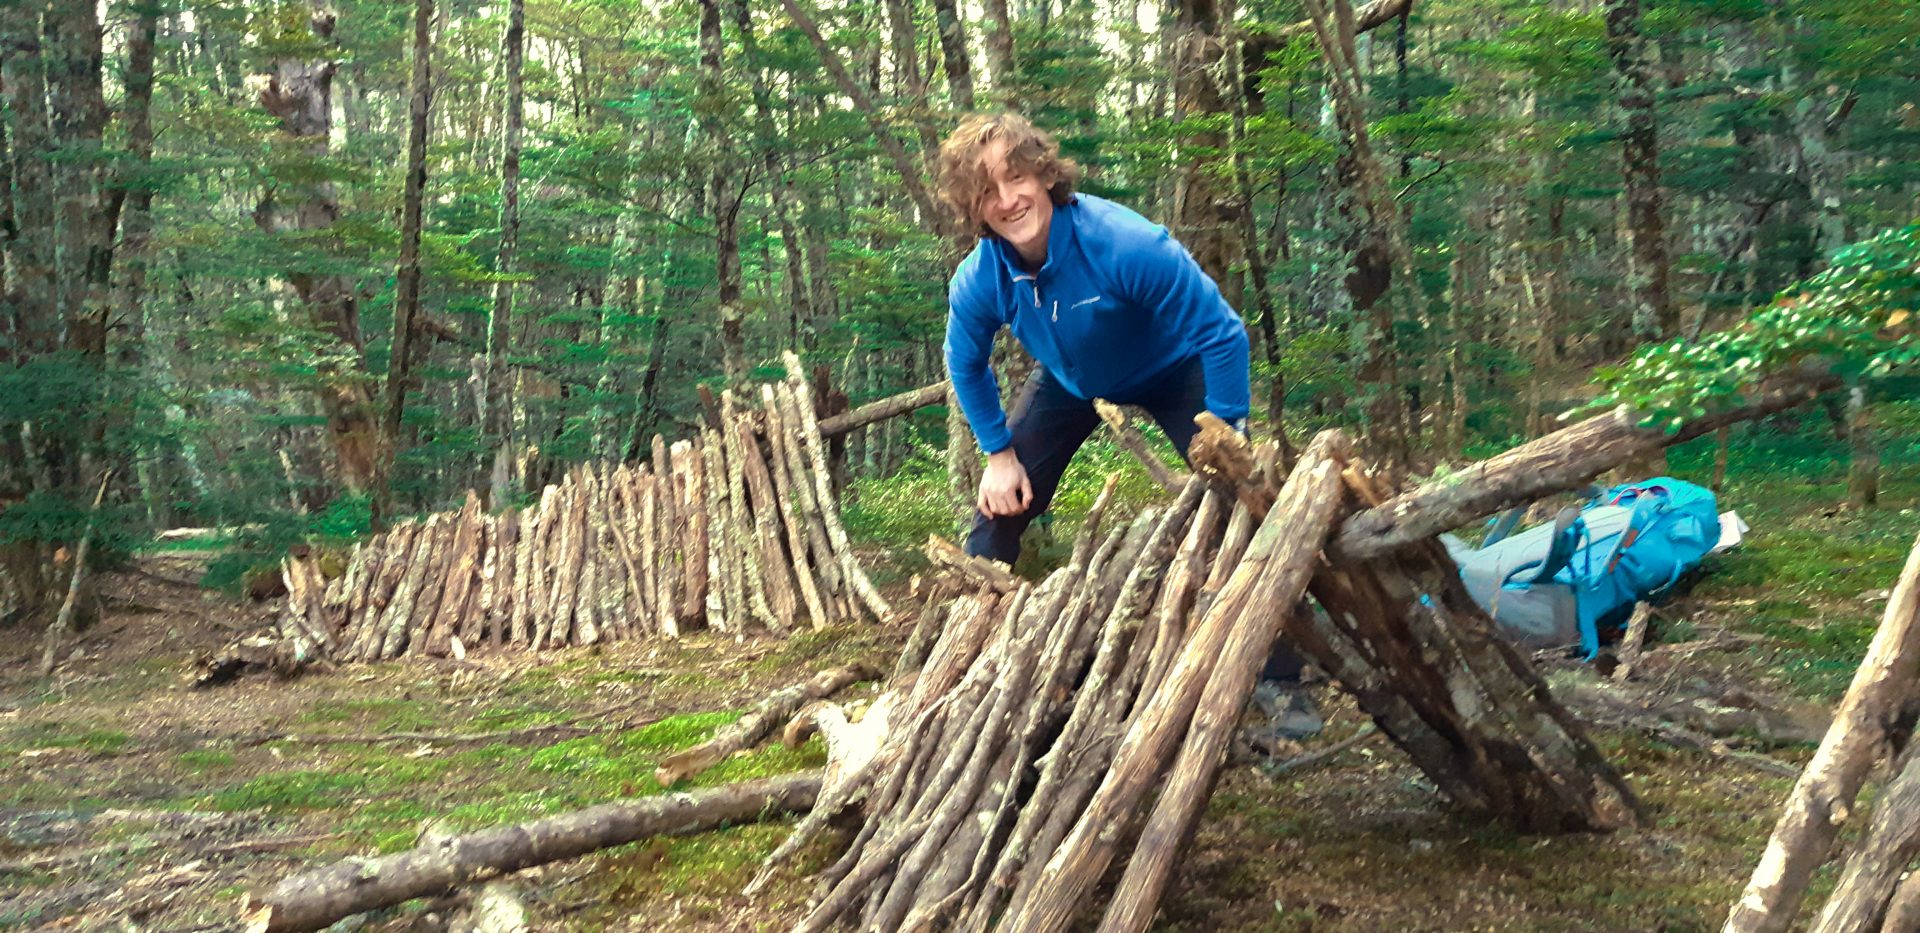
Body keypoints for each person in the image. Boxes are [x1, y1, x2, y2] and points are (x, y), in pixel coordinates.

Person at [937, 112, 1318, 744]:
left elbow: (1222, 334)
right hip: (1072, 379)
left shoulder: (1124, 243)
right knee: (1000, 506)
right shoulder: (982, 279)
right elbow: (964, 362)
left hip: (1175, 369)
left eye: (1016, 177)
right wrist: (998, 453)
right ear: (972, 208)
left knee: (1239, 510)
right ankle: (969, 663)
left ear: (1043, 173)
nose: (1007, 201)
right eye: (986, 192)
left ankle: (1280, 675)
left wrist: (1222, 435)